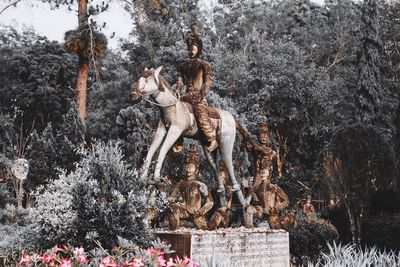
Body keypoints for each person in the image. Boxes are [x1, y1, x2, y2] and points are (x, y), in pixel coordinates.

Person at [175, 26, 217, 152]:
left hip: (198, 96)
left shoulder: (204, 64)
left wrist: (202, 93)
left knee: (200, 113)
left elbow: (208, 81)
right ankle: (178, 141)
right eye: (189, 49)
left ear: (198, 49)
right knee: (173, 110)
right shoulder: (183, 66)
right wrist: (177, 90)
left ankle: (212, 138)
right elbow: (180, 81)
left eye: (193, 48)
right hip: (186, 96)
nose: (191, 51)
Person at [169, 144, 213, 230]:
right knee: (173, 208)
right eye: (186, 166)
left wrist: (201, 211)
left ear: (196, 169)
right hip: (184, 211)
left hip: (196, 213)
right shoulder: (181, 183)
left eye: (191, 166)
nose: (188, 169)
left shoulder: (199, 184)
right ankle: (175, 230)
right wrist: (176, 203)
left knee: (203, 227)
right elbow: (171, 198)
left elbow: (210, 202)